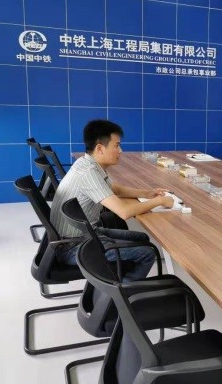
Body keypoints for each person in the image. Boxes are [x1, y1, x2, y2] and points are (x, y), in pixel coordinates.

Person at [50, 119, 175, 282]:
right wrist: (160, 202)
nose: (120, 151)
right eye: (117, 145)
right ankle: (124, 292)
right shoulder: (89, 173)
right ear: (100, 148)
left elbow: (114, 188)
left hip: (85, 234)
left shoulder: (87, 163)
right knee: (147, 253)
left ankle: (119, 279)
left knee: (141, 238)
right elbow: (124, 212)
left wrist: (147, 193)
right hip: (74, 247)